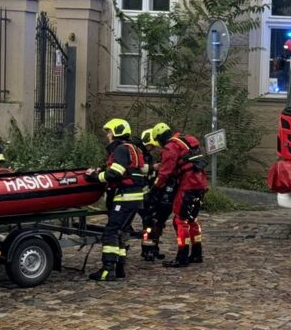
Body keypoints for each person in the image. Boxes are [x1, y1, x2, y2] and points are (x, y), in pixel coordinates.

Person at [85, 118, 147, 281]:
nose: (107, 135)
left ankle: (108, 269)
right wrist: (103, 170)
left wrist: (95, 176)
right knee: (121, 231)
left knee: (111, 231)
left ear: (117, 132)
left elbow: (115, 174)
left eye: (109, 132)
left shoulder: (120, 150)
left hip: (125, 197)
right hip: (134, 197)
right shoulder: (133, 148)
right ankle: (119, 268)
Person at [149, 123, 208, 267]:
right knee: (192, 219)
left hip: (187, 185)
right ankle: (196, 253)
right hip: (200, 183)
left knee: (180, 220)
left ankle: (182, 256)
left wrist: (155, 187)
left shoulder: (171, 147)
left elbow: (165, 172)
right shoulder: (185, 140)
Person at [138, 125, 175, 261]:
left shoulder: (147, 156)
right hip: (143, 195)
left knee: (155, 223)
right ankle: (147, 250)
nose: (153, 149)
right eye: (151, 146)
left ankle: (153, 248)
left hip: (149, 194)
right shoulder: (140, 156)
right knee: (148, 223)